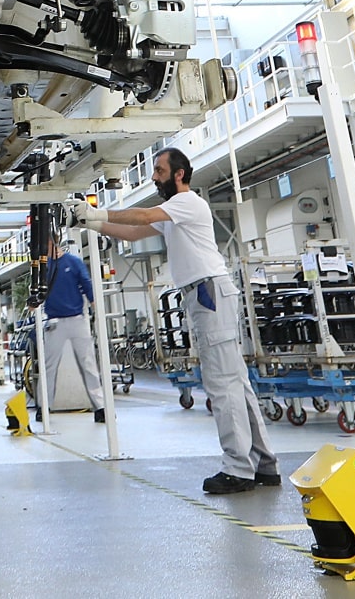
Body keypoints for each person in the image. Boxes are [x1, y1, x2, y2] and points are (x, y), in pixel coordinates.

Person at [73, 148, 279, 494]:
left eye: (159, 170)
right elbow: (133, 233)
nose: (154, 177)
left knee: (222, 386)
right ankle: (264, 465)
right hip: (206, 293)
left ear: (179, 174)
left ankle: (238, 470)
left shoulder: (187, 203)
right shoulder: (173, 212)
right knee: (236, 385)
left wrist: (97, 210)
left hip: (208, 293)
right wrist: (90, 222)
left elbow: (140, 217)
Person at [39, 237, 108, 422]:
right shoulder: (42, 267)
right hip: (54, 322)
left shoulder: (73, 262)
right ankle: (44, 406)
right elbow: (37, 291)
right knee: (49, 366)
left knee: (89, 364)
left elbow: (87, 284)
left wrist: (95, 306)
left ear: (52, 243)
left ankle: (100, 407)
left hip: (77, 319)